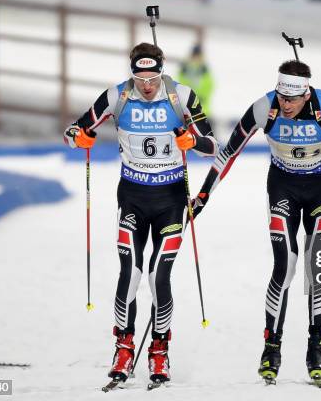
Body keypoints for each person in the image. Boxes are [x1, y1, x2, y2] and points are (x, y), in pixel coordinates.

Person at [192, 60, 321, 382]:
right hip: (283, 188)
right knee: (284, 268)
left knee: (317, 268)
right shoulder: (264, 108)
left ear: (306, 94)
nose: (285, 106)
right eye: (281, 98)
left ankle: (316, 348)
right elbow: (228, 153)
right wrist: (203, 195)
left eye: (292, 99)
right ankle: (271, 348)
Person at [63, 42, 218, 385]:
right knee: (129, 276)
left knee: (157, 278)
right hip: (133, 197)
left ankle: (159, 350)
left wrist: (193, 141)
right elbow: (72, 132)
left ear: (162, 72)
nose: (147, 86)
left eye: (153, 78)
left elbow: (213, 146)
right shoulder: (116, 96)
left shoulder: (182, 97)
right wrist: (80, 139)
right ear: (131, 73)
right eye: (139, 77)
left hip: (171, 199)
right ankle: (124, 344)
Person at [178, 43, 214, 116]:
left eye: (198, 56)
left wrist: (202, 96)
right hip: (187, 106)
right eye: (195, 56)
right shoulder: (185, 69)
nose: (196, 58)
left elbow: (209, 85)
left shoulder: (204, 69)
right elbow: (179, 83)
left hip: (203, 108)